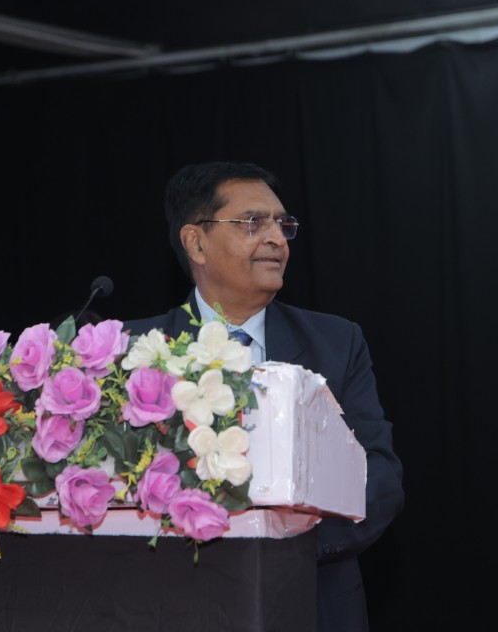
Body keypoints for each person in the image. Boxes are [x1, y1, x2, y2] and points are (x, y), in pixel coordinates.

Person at [125, 161, 404, 632]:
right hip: (171, 600)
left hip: (311, 600)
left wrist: (282, 540)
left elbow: (378, 476)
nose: (277, 239)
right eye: (253, 223)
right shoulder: (136, 351)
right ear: (196, 243)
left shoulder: (336, 343)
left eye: (283, 224)